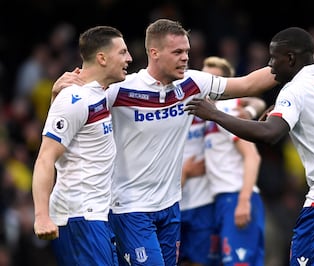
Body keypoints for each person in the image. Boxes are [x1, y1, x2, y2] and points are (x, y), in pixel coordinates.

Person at [52, 18, 278, 266]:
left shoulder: (192, 83)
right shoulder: (120, 89)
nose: (185, 58)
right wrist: (57, 94)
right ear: (154, 53)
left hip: (171, 206)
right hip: (129, 207)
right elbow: (71, 115)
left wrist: (288, 63)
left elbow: (248, 84)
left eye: (187, 52)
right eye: (178, 52)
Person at [185, 27, 314, 265]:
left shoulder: (294, 90)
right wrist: (282, 111)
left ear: (291, 58)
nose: (271, 65)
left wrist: (215, 115)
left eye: (274, 57)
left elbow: (270, 133)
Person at [32, 25, 132, 266]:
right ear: (102, 57)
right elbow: (46, 157)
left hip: (96, 215)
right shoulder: (74, 98)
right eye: (123, 52)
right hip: (79, 216)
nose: (129, 58)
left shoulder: (98, 94)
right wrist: (41, 216)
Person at [179, 56, 266, 266]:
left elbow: (252, 156)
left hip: (234, 197)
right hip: (219, 200)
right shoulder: (209, 117)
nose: (208, 85)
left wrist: (243, 201)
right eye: (206, 77)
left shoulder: (226, 111)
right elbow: (256, 101)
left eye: (215, 79)